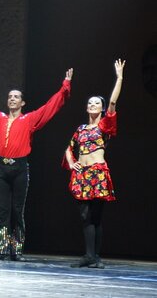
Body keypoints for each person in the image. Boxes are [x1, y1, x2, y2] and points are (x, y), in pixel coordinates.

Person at [0, 69, 73, 261]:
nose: (12, 99)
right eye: (10, 97)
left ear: (22, 102)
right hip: (1, 169)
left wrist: (64, 87)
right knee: (2, 211)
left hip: (19, 169)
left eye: (16, 97)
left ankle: (16, 250)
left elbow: (49, 108)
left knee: (17, 210)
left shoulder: (29, 119)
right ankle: (0, 250)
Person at [64, 59, 124, 269]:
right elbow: (69, 148)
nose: (92, 105)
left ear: (101, 108)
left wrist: (120, 78)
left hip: (97, 172)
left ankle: (94, 256)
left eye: (96, 103)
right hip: (82, 174)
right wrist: (72, 163)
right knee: (85, 216)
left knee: (95, 216)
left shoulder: (105, 126)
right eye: (89, 103)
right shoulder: (81, 129)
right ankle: (90, 255)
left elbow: (113, 103)